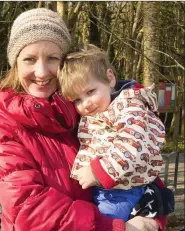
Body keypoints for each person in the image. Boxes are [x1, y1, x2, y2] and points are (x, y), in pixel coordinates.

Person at [0, 8, 166, 231]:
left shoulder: (85, 111)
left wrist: (153, 216)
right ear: (15, 65)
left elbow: (140, 168)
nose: (41, 71)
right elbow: (29, 208)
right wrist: (117, 228)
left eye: (52, 58)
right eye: (29, 59)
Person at [58, 45, 173, 221]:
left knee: (104, 222)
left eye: (90, 92)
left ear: (110, 78)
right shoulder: (100, 111)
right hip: (108, 189)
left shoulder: (129, 106)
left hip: (122, 191)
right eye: (77, 100)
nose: (86, 103)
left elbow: (133, 143)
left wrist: (99, 171)